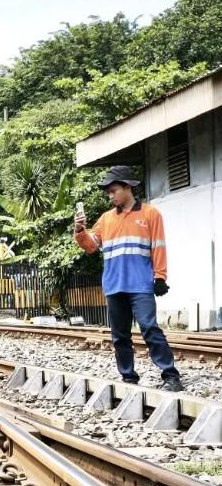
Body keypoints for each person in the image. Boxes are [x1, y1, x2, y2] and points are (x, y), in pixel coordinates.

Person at [74, 165, 183, 392]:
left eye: (113, 190)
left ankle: (171, 375)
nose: (110, 195)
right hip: (114, 286)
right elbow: (92, 246)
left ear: (127, 187)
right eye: (108, 192)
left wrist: (160, 277)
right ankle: (128, 378)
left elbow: (159, 246)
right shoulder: (105, 219)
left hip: (141, 285)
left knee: (150, 328)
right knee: (119, 336)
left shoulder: (150, 214)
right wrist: (80, 231)